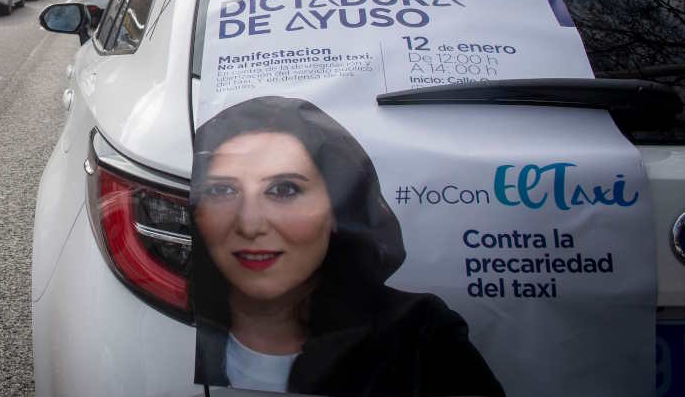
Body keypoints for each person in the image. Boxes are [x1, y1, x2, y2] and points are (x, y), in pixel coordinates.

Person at [190, 96, 504, 396]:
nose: (250, 224)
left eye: (283, 189)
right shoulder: (168, 322)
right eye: (222, 190)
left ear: (339, 208)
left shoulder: (421, 335)